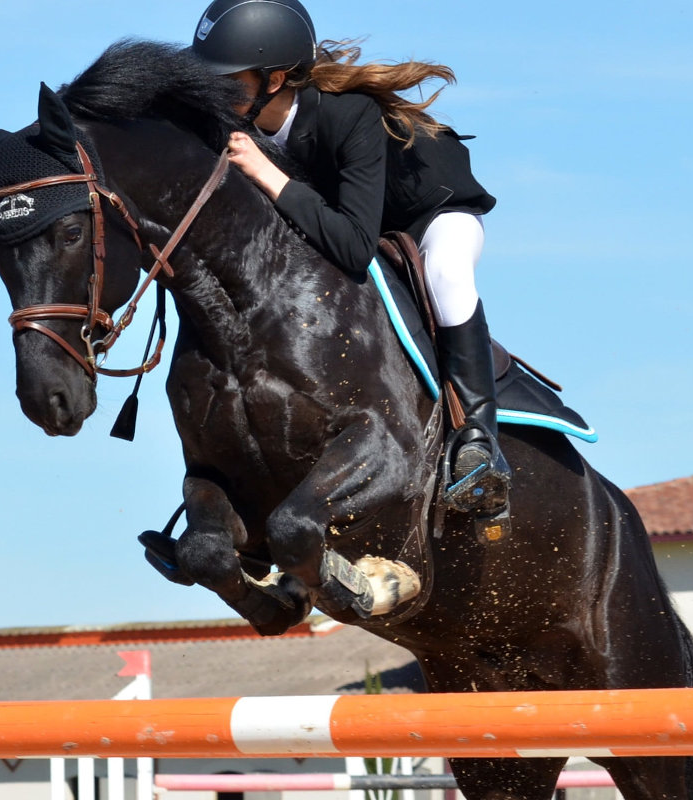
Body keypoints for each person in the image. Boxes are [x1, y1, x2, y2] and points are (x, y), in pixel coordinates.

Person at [190, 0, 510, 516]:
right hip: (347, 216)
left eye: (229, 81)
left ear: (274, 79)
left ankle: (478, 443)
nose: (215, 93)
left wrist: (269, 176)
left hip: (430, 214)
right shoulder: (243, 124)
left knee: (447, 273)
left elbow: (354, 248)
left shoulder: (348, 113)